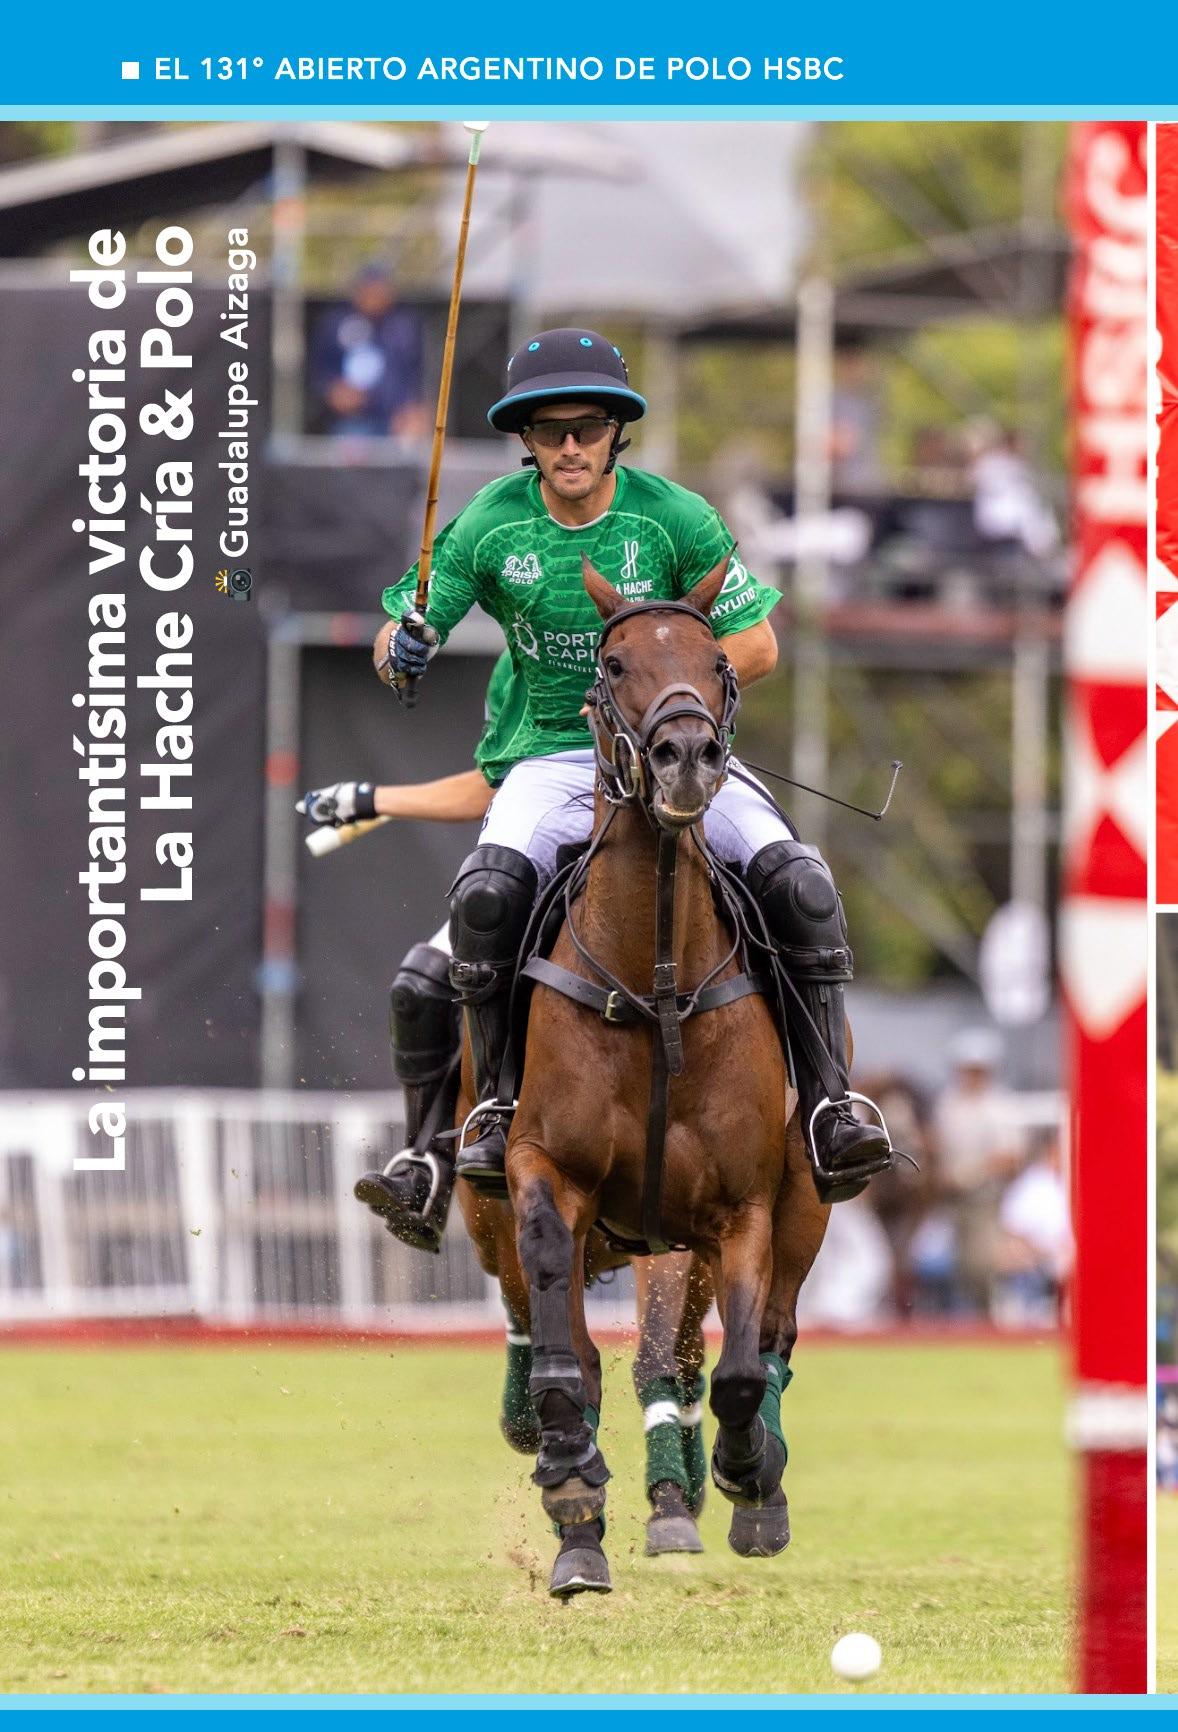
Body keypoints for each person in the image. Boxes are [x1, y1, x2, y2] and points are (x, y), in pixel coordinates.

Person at [305, 328, 894, 1238]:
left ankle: (829, 1107)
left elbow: (758, 645)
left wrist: (666, 702)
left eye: (588, 427)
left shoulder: (676, 519)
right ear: (527, 440)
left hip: (673, 755)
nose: (571, 444)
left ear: (618, 432)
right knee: (487, 894)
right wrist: (403, 648)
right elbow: (397, 639)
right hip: (553, 758)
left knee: (801, 882)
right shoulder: (491, 523)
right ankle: (489, 1111)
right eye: (550, 430)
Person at [309, 261, 427, 439]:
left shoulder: (404, 326)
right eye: (370, 288)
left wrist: (415, 409)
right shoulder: (336, 323)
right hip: (351, 422)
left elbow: (417, 375)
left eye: (380, 288)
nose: (375, 295)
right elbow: (319, 370)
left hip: (396, 421)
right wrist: (334, 391)